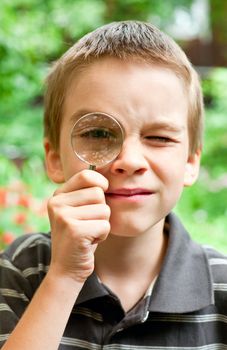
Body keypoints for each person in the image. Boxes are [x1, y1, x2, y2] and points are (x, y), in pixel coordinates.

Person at [0, 20, 227, 350]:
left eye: (159, 137)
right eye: (98, 134)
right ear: (55, 159)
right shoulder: (22, 269)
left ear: (191, 162)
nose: (130, 160)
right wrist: (64, 277)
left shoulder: (222, 288)